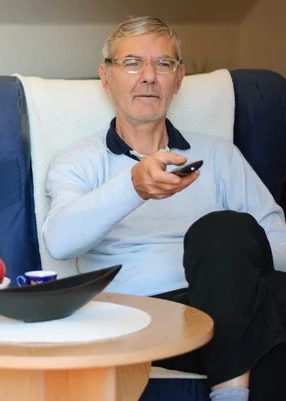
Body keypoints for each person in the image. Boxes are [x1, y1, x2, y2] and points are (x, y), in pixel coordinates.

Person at [43, 16, 286, 401]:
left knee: (225, 235)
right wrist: (134, 186)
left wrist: (229, 264)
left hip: (235, 307)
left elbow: (278, 241)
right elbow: (60, 241)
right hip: (145, 315)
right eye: (132, 63)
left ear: (179, 78)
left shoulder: (220, 155)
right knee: (221, 233)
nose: (149, 76)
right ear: (106, 78)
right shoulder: (79, 161)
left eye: (164, 64)